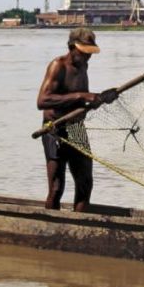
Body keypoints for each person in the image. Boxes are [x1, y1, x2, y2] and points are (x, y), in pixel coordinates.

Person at [36, 27, 118, 212]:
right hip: (55, 130)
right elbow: (42, 101)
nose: (88, 57)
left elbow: (82, 101)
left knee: (85, 183)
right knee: (57, 187)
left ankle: (79, 224)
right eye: (84, 53)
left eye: (90, 54)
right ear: (72, 47)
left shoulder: (83, 66)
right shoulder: (58, 65)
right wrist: (82, 96)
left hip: (77, 128)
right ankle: (52, 226)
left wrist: (99, 98)